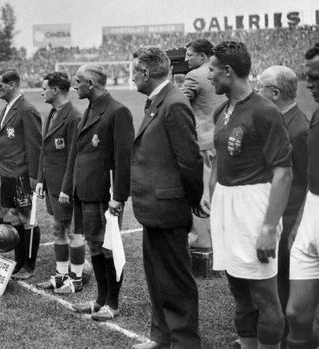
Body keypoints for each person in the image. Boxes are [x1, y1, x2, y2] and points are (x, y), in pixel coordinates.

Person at [209, 41, 292, 349]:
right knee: (239, 291)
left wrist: (269, 228)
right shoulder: (223, 108)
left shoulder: (265, 112)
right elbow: (219, 156)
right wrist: (213, 191)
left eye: (212, 70)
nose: (209, 76)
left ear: (228, 71)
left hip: (254, 205)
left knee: (264, 297)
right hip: (226, 203)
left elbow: (284, 172)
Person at [130, 47, 204, 349]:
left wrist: (192, 199)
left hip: (169, 206)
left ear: (146, 73)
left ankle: (184, 342)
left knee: (175, 280)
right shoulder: (158, 101)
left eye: (135, 71)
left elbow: (190, 160)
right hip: (153, 207)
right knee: (157, 277)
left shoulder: (174, 103)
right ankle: (161, 336)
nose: (133, 76)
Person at [66, 64, 134, 320]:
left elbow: (124, 158)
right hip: (86, 191)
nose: (74, 86)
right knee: (95, 245)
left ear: (91, 84)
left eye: (78, 81)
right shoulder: (90, 109)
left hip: (105, 194)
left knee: (109, 247)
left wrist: (118, 195)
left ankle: (112, 304)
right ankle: (99, 300)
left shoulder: (117, 111)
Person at [285, 40, 319, 349]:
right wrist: (302, 222)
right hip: (313, 215)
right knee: (296, 314)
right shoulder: (318, 114)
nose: (308, 84)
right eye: (307, 76)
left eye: (317, 78)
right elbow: (311, 174)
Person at [256, 65, 309, 331]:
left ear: (275, 93)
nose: (256, 91)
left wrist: (296, 225)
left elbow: (307, 182)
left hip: (287, 216)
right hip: (270, 211)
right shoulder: (276, 121)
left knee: (283, 282)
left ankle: (285, 336)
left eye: (260, 86)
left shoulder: (299, 129)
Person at [34, 72, 85, 294]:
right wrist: (40, 179)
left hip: (67, 187)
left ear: (56, 90)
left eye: (44, 87)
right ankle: (61, 274)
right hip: (52, 184)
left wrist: (68, 188)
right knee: (57, 229)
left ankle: (76, 278)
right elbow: (45, 151)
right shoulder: (52, 113)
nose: (41, 91)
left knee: (74, 231)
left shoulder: (74, 117)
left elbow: (76, 157)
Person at [0, 69, 42, 280]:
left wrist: (34, 179)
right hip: (7, 173)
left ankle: (28, 266)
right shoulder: (7, 108)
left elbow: (35, 146)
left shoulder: (27, 110)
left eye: (0, 86)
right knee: (14, 219)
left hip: (22, 175)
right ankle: (19, 261)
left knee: (27, 218)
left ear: (12, 84)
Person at [181, 39, 226, 249]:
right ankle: (222, 242)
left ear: (202, 56)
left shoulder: (195, 76)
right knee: (221, 194)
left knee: (202, 195)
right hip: (224, 139)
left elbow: (177, 105)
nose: (186, 58)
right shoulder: (225, 71)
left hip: (203, 142)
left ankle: (202, 247)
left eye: (190, 54)